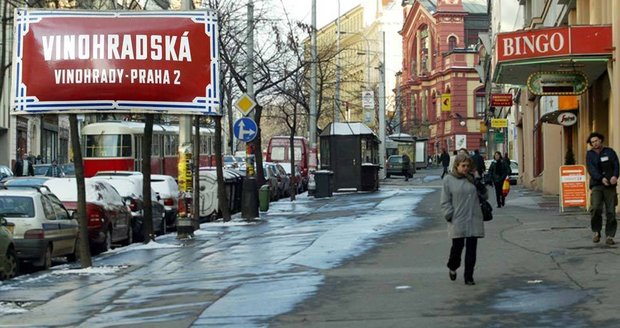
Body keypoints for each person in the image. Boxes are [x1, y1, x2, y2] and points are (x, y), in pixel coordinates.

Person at [440, 153, 487, 285]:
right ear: (457, 166)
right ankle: (453, 267)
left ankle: (469, 276)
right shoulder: (448, 179)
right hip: (457, 218)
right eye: (463, 166)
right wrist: (449, 215)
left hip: (473, 217)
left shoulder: (472, 178)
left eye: (468, 166)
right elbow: (445, 201)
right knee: (457, 248)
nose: (466, 168)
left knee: (472, 249)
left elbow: (485, 196)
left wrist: (479, 184)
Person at [586, 132, 619, 245]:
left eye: (596, 141)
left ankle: (610, 236)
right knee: (595, 208)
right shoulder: (590, 154)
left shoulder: (609, 151)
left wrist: (615, 176)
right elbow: (591, 169)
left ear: (601, 140)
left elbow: (616, 165)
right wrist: (601, 179)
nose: (594, 143)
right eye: (592, 142)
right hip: (597, 185)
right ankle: (596, 232)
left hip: (610, 185)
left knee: (611, 211)